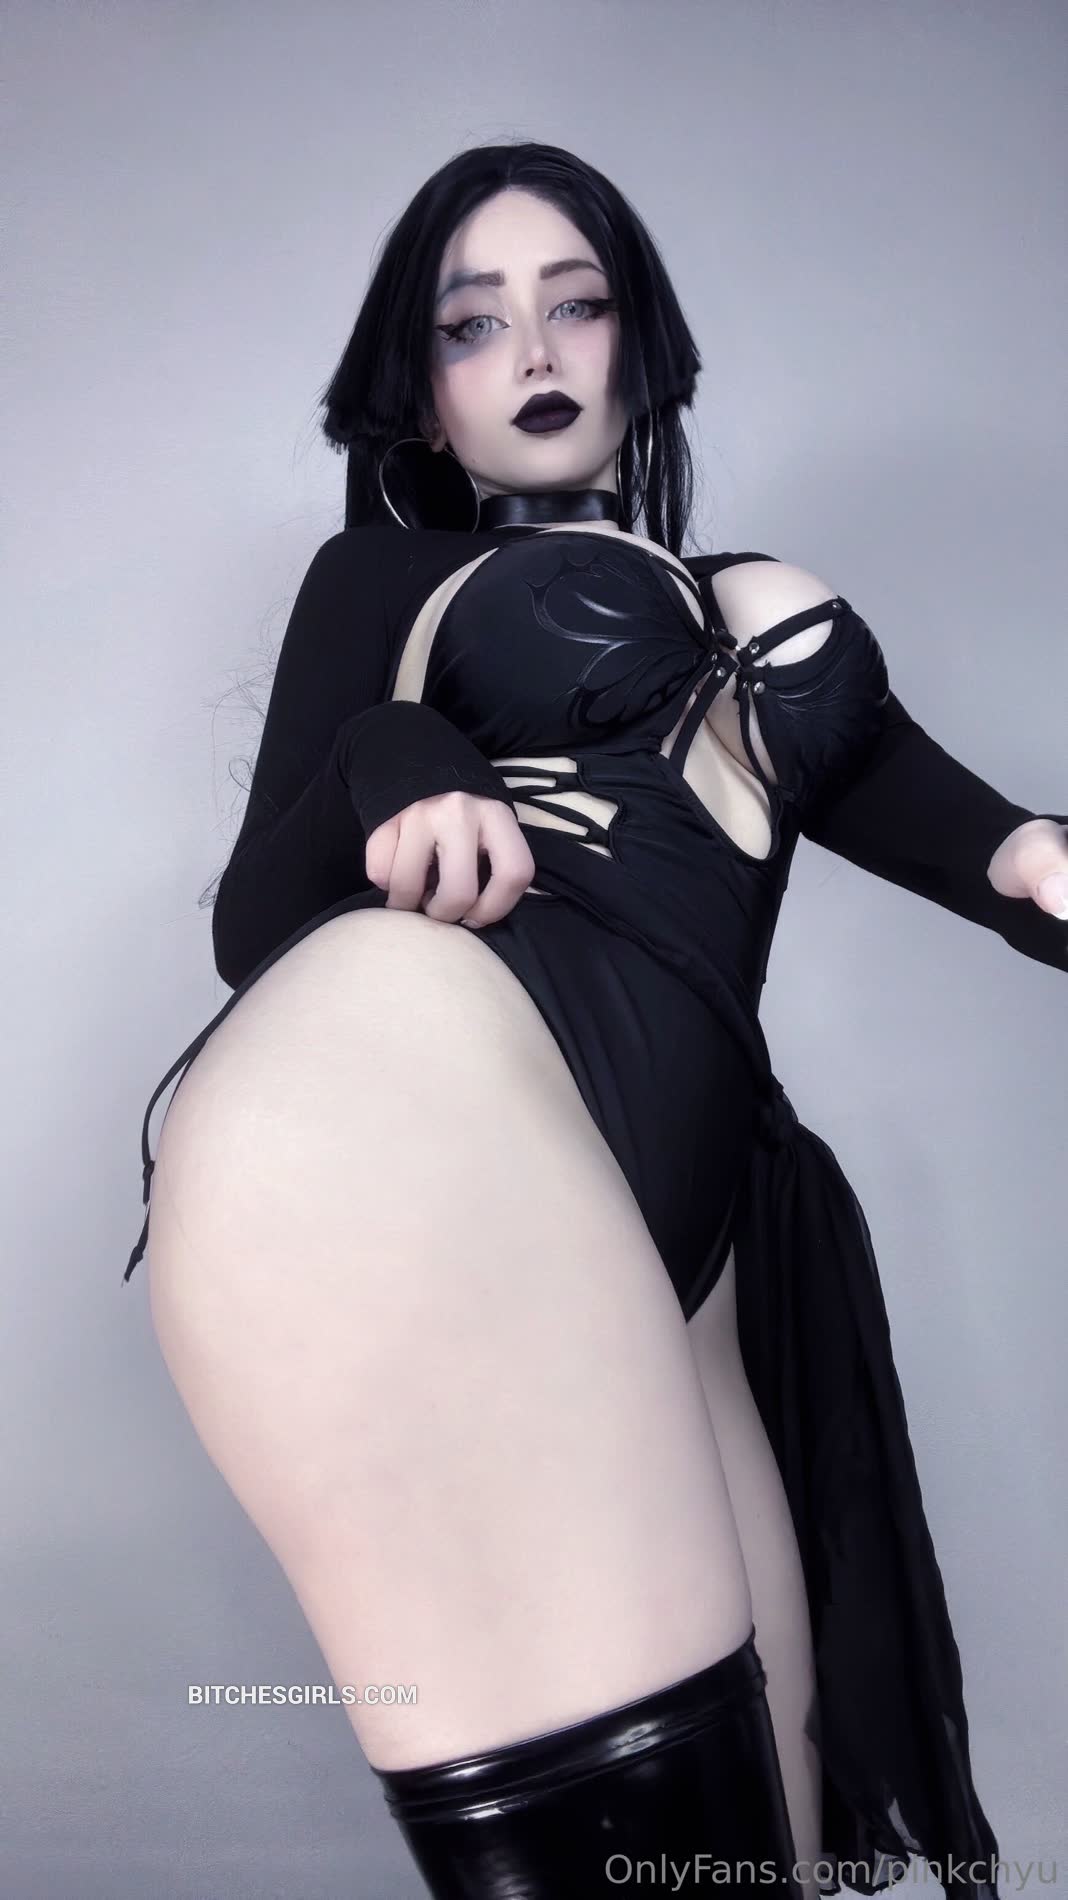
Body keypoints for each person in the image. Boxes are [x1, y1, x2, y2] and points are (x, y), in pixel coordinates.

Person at [123, 142, 1067, 1899]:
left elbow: (994, 850)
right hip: (436, 1137)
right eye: (473, 324)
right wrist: (401, 755)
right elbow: (256, 926)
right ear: (419, 385)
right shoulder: (383, 582)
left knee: (757, 1851)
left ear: (643, 337)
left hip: (676, 1253)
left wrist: (1038, 856)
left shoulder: (749, 594)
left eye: (577, 304)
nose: (536, 351)